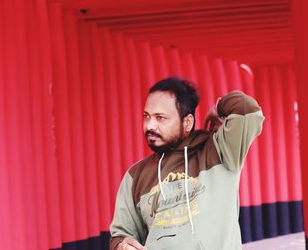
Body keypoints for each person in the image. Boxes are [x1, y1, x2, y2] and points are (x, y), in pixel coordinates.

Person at [110, 77, 264, 250]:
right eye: (147, 116)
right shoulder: (135, 175)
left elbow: (247, 109)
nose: (149, 125)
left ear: (187, 122)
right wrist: (122, 245)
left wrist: (219, 107)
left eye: (160, 118)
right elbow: (120, 234)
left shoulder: (220, 150)